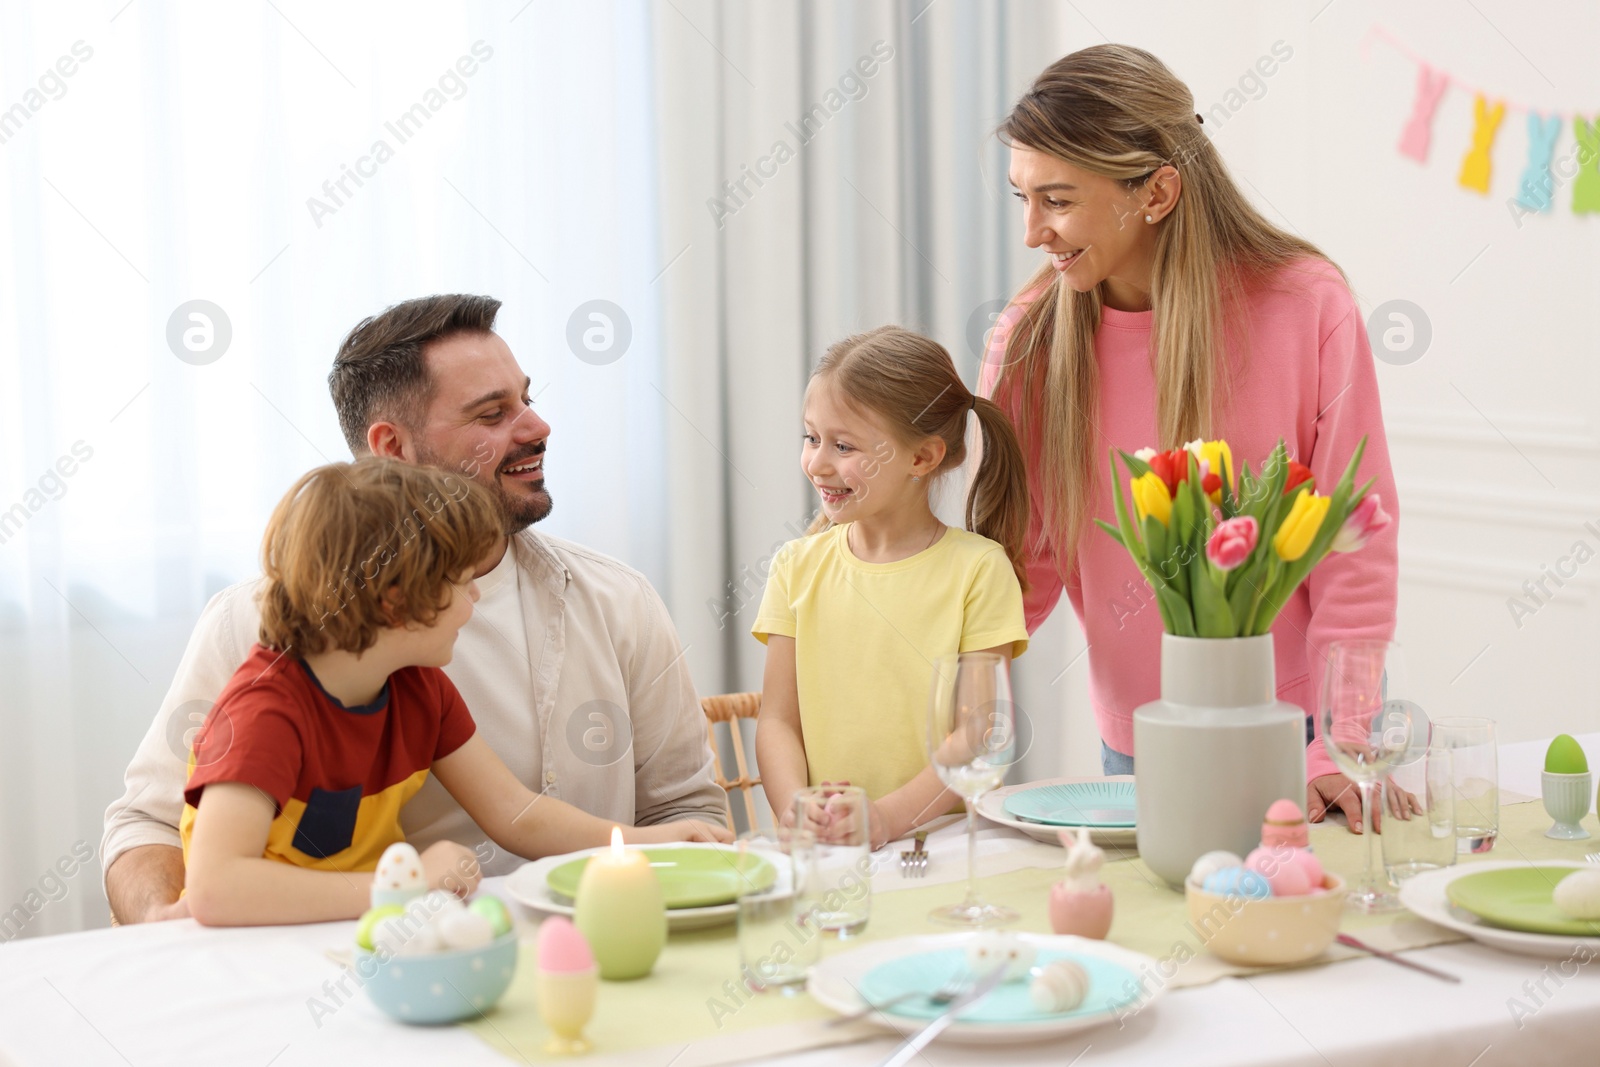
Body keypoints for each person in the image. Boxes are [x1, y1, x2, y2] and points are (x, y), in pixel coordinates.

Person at [103, 294, 729, 923]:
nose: (538, 428)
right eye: (491, 413)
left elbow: (531, 813)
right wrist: (168, 944)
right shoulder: (257, 650)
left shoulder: (594, 609)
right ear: (392, 449)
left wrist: (646, 852)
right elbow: (153, 832)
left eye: (527, 402)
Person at [979, 45, 1399, 831]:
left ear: (1159, 191)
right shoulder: (1029, 340)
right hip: (1138, 745)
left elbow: (1355, 539)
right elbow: (1020, 559)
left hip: (1298, 736)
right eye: (1022, 199)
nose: (1034, 231)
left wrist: (1342, 745)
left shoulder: (1306, 305)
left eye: (1058, 200)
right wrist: (936, 706)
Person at [184, 459, 726, 925]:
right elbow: (215, 888)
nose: (474, 595)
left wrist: (662, 842)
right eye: (460, 580)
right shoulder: (265, 711)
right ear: (396, 603)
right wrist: (404, 887)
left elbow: (519, 815)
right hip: (252, 955)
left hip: (352, 937)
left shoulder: (421, 691)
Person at [753, 326, 1031, 849]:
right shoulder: (795, 566)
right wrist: (795, 806)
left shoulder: (979, 571)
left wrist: (884, 819)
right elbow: (777, 722)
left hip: (942, 850)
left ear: (921, 458)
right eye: (811, 438)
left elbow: (974, 737)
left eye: (844, 446)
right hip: (828, 853)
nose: (817, 463)